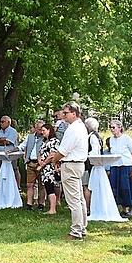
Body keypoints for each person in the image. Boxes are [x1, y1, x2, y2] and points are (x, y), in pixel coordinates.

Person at [46, 101, 89, 240]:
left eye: (65, 113)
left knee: (73, 200)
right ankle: (82, 228)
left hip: (71, 164)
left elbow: (63, 150)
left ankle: (76, 231)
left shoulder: (73, 129)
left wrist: (54, 159)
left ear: (74, 113)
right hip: (77, 164)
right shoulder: (81, 127)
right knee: (79, 199)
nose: (63, 116)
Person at [107, 120, 132, 217]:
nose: (112, 130)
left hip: (126, 165)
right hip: (115, 165)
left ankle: (131, 208)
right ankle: (123, 208)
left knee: (126, 186)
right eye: (110, 127)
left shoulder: (126, 138)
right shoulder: (111, 139)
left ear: (120, 127)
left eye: (113, 127)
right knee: (116, 187)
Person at [18, 120, 46, 210]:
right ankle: (29, 203)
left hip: (41, 164)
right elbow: (22, 146)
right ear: (35, 128)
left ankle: (41, 204)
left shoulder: (45, 139)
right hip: (30, 162)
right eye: (39, 129)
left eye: (42, 129)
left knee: (41, 184)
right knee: (30, 184)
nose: (41, 131)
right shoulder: (30, 137)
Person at [36, 123, 61, 214]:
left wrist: (43, 164)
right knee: (47, 186)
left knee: (50, 186)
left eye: (44, 131)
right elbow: (40, 153)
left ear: (49, 130)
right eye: (41, 131)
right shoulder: (44, 142)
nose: (42, 132)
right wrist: (40, 160)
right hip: (44, 168)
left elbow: (52, 155)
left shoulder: (54, 141)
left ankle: (52, 209)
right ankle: (51, 207)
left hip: (50, 168)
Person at [0, 115, 20, 188]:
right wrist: (3, 140)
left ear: (8, 122)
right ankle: (1, 186)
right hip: (0, 154)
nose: (0, 123)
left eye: (2, 122)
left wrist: (0, 140)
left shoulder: (13, 131)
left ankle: (17, 186)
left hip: (11, 154)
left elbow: (8, 142)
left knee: (14, 169)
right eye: (0, 122)